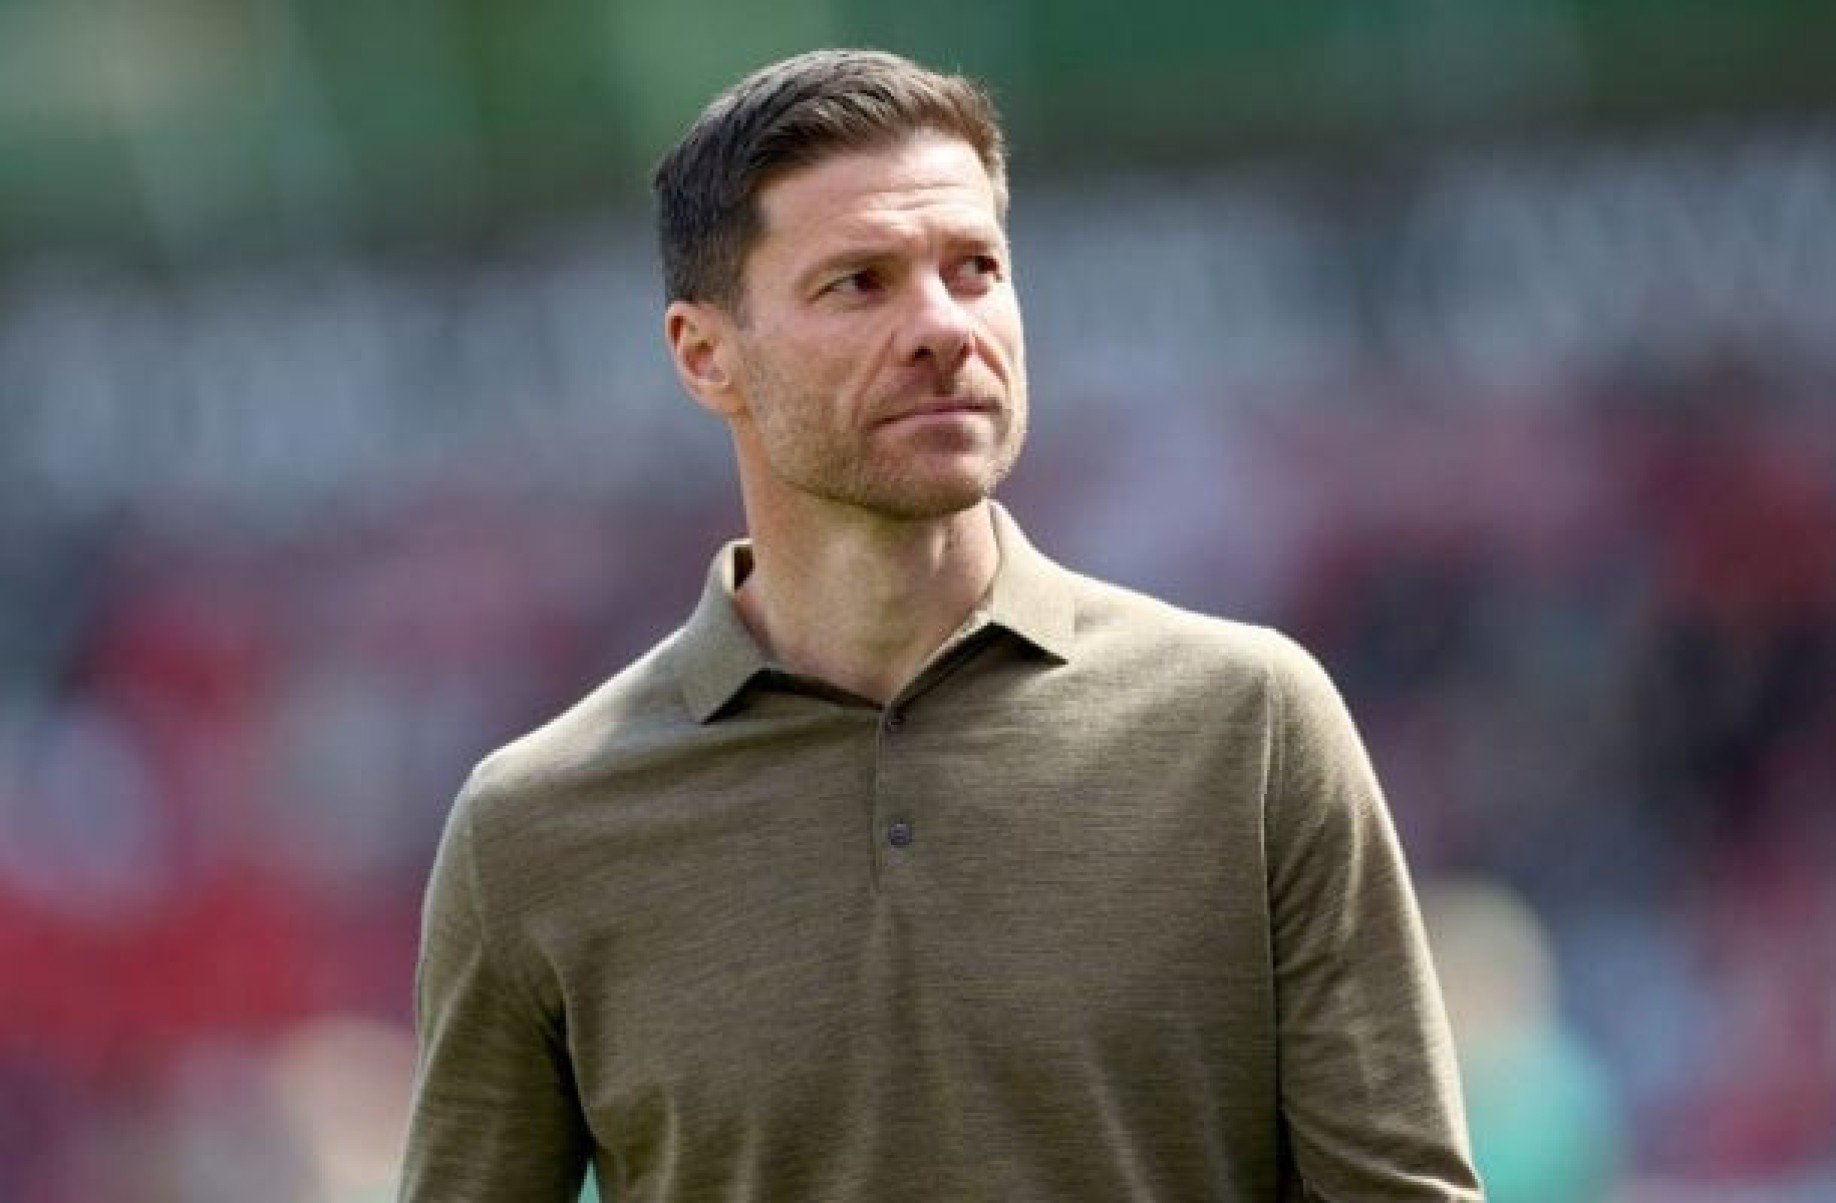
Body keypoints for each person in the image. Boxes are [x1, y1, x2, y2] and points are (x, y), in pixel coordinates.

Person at [399, 48, 1484, 1203]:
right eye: (859, 283)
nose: (942, 326)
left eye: (974, 269)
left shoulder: (1250, 728)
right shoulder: (533, 829)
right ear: (706, 355)